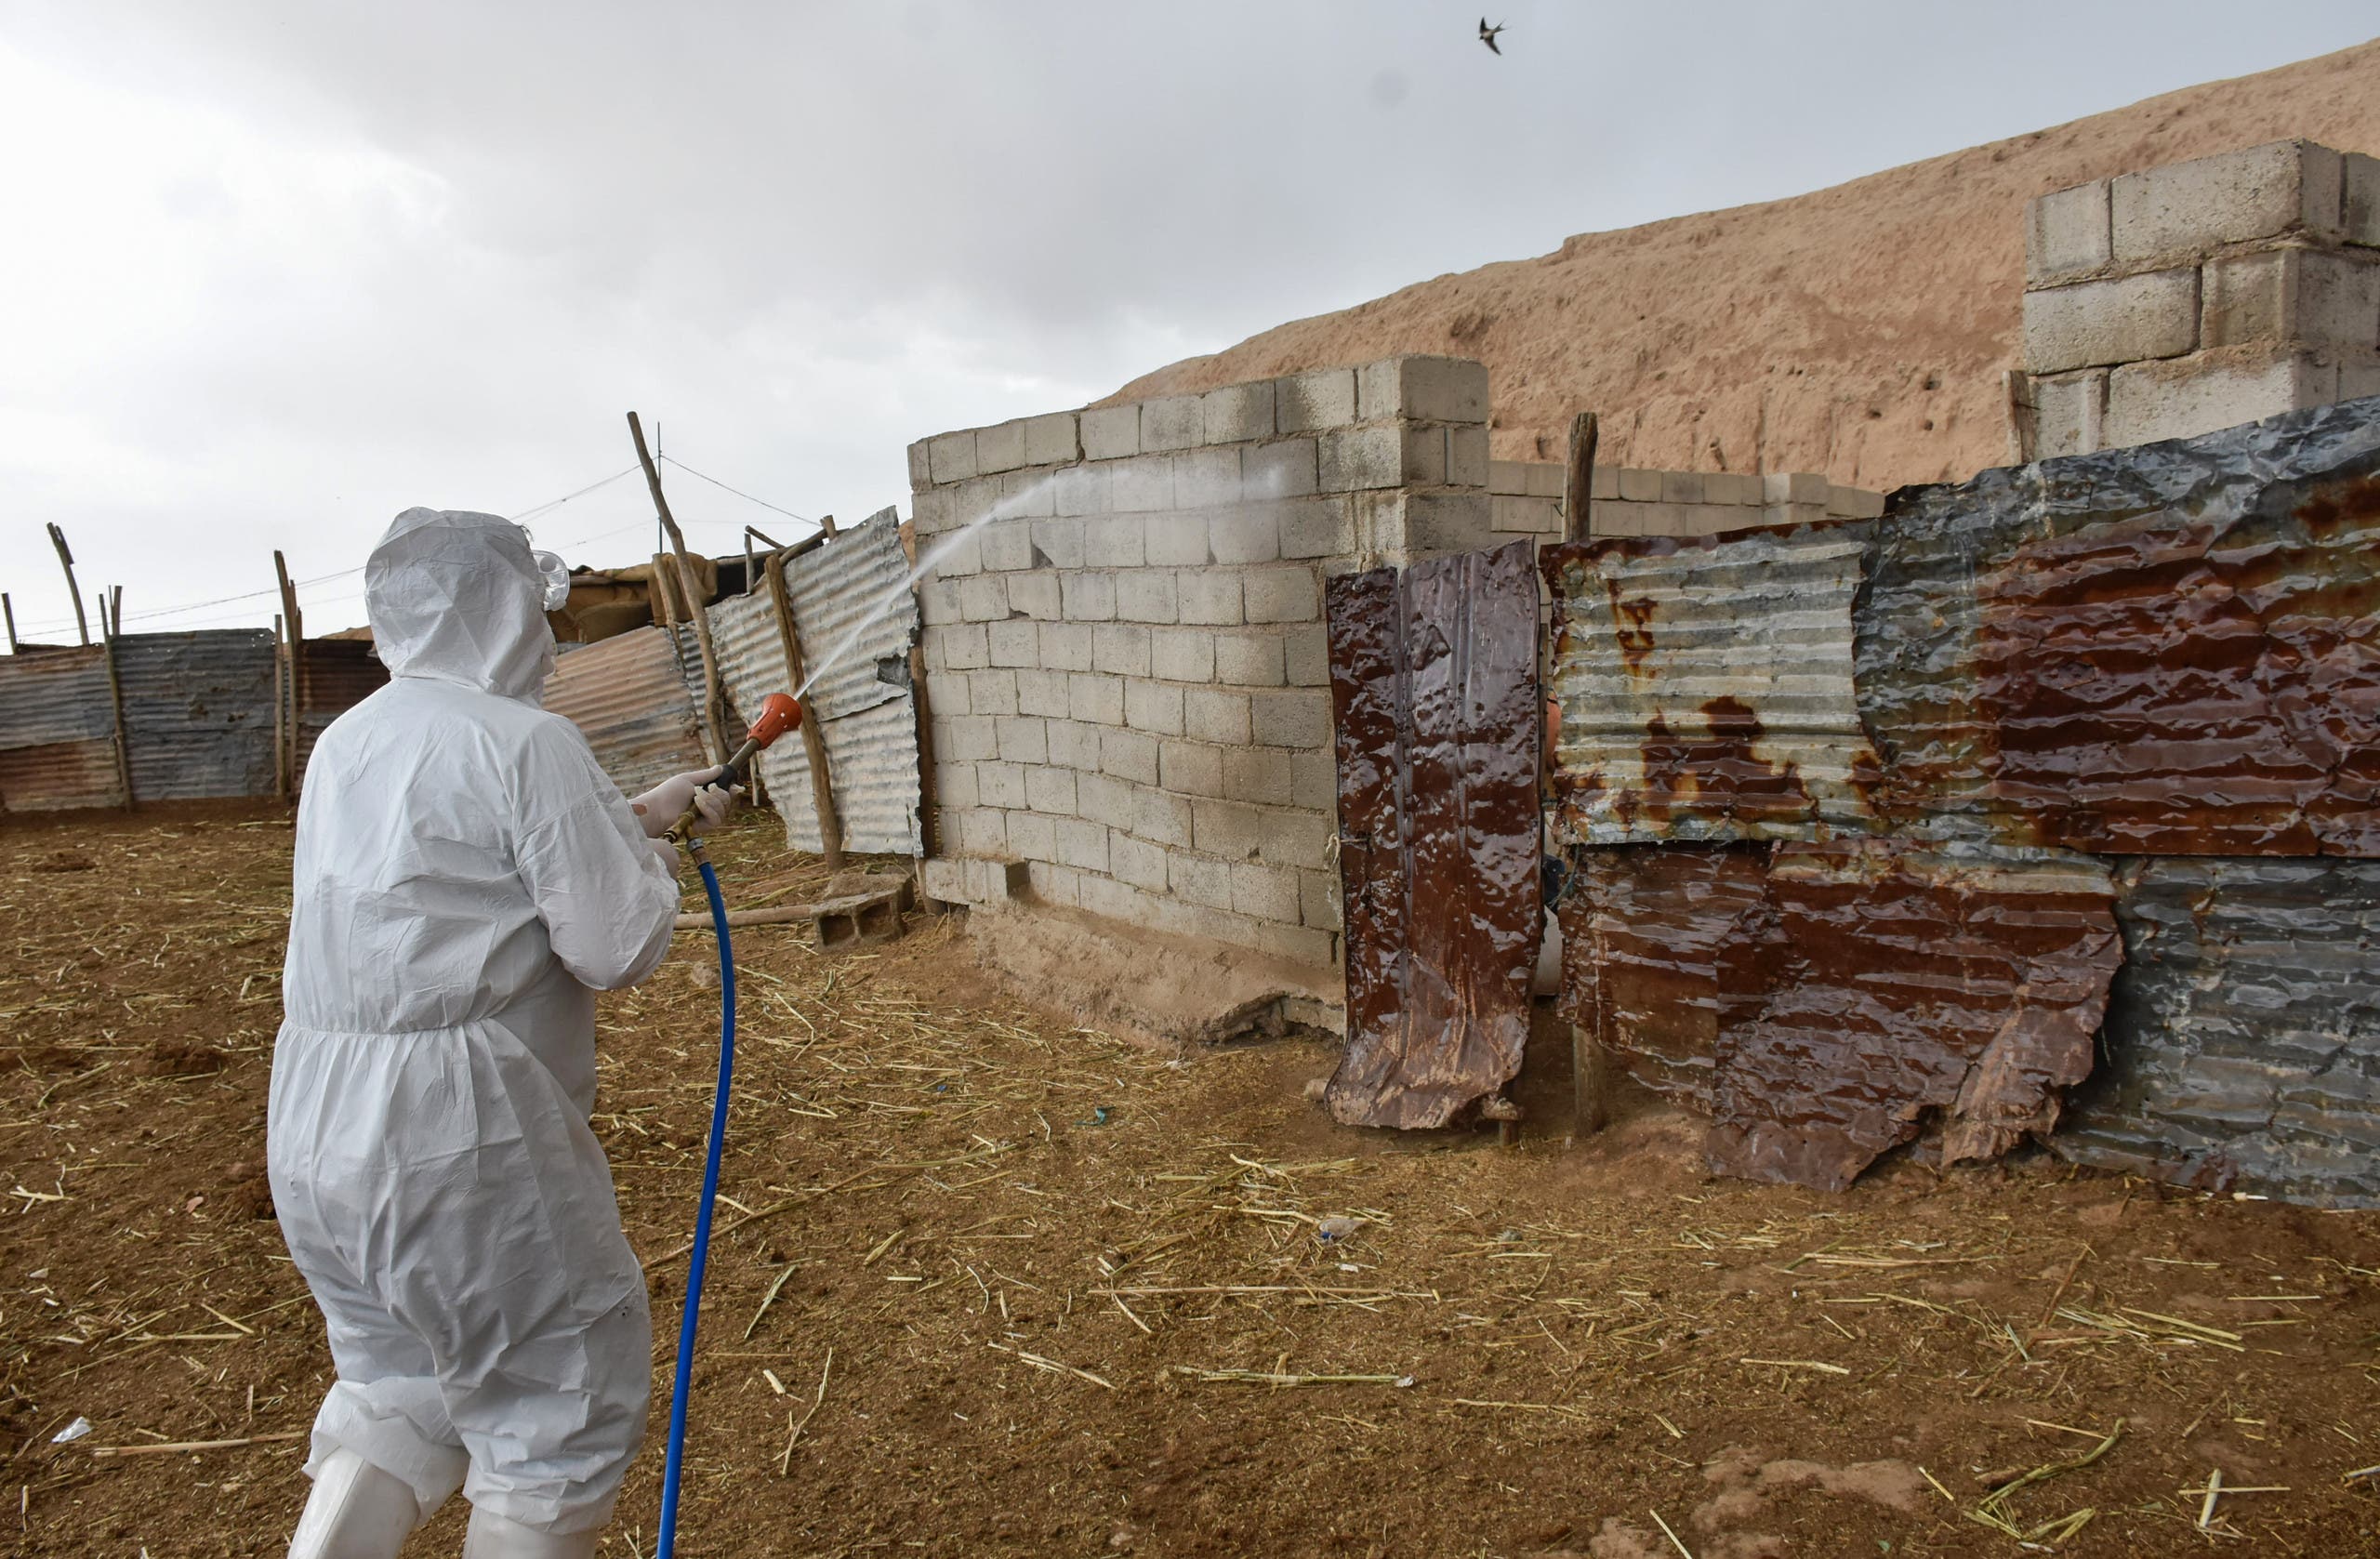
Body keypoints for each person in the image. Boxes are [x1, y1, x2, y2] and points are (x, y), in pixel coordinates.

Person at [267, 509, 734, 1559]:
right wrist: (653, 866)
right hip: (457, 1136)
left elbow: (456, 866)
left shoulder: (351, 741)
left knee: (399, 1383)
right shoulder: (528, 740)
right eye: (535, 606)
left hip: (317, 1121)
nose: (551, 636)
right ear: (505, 609)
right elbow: (613, 945)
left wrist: (642, 812)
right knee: (550, 1410)